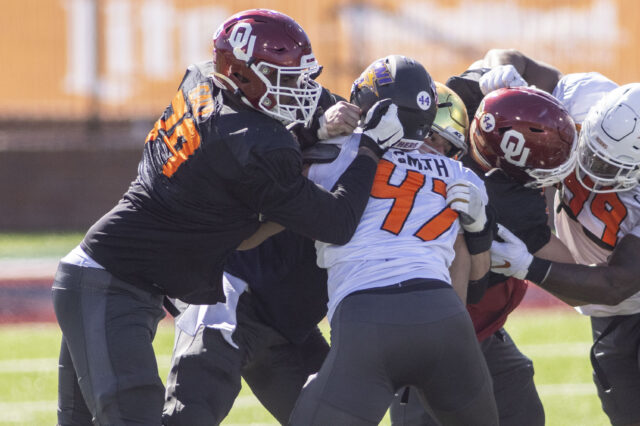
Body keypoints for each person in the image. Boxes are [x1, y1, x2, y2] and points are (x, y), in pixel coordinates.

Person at [51, 9, 405, 425]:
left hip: (112, 275)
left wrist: (312, 133)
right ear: (239, 73)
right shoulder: (257, 145)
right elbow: (337, 222)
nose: (302, 89)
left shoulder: (203, 79)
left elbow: (239, 148)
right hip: (109, 285)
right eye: (286, 78)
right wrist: (370, 151)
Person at [288, 54, 500, 426]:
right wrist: (481, 228)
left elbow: (262, 173)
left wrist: (314, 131)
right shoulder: (457, 172)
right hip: (444, 318)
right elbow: (479, 284)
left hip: (367, 318)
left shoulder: (330, 152)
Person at [161, 100, 362, 425]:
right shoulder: (322, 125)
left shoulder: (405, 170)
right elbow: (252, 158)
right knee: (188, 414)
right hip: (234, 297)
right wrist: (312, 133)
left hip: (291, 326)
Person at [476, 50, 640, 426]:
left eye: (611, 167)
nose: (593, 171)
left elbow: (615, 284)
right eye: (592, 153)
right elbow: (516, 59)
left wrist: (527, 265)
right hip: (608, 316)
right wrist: (504, 71)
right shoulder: (584, 95)